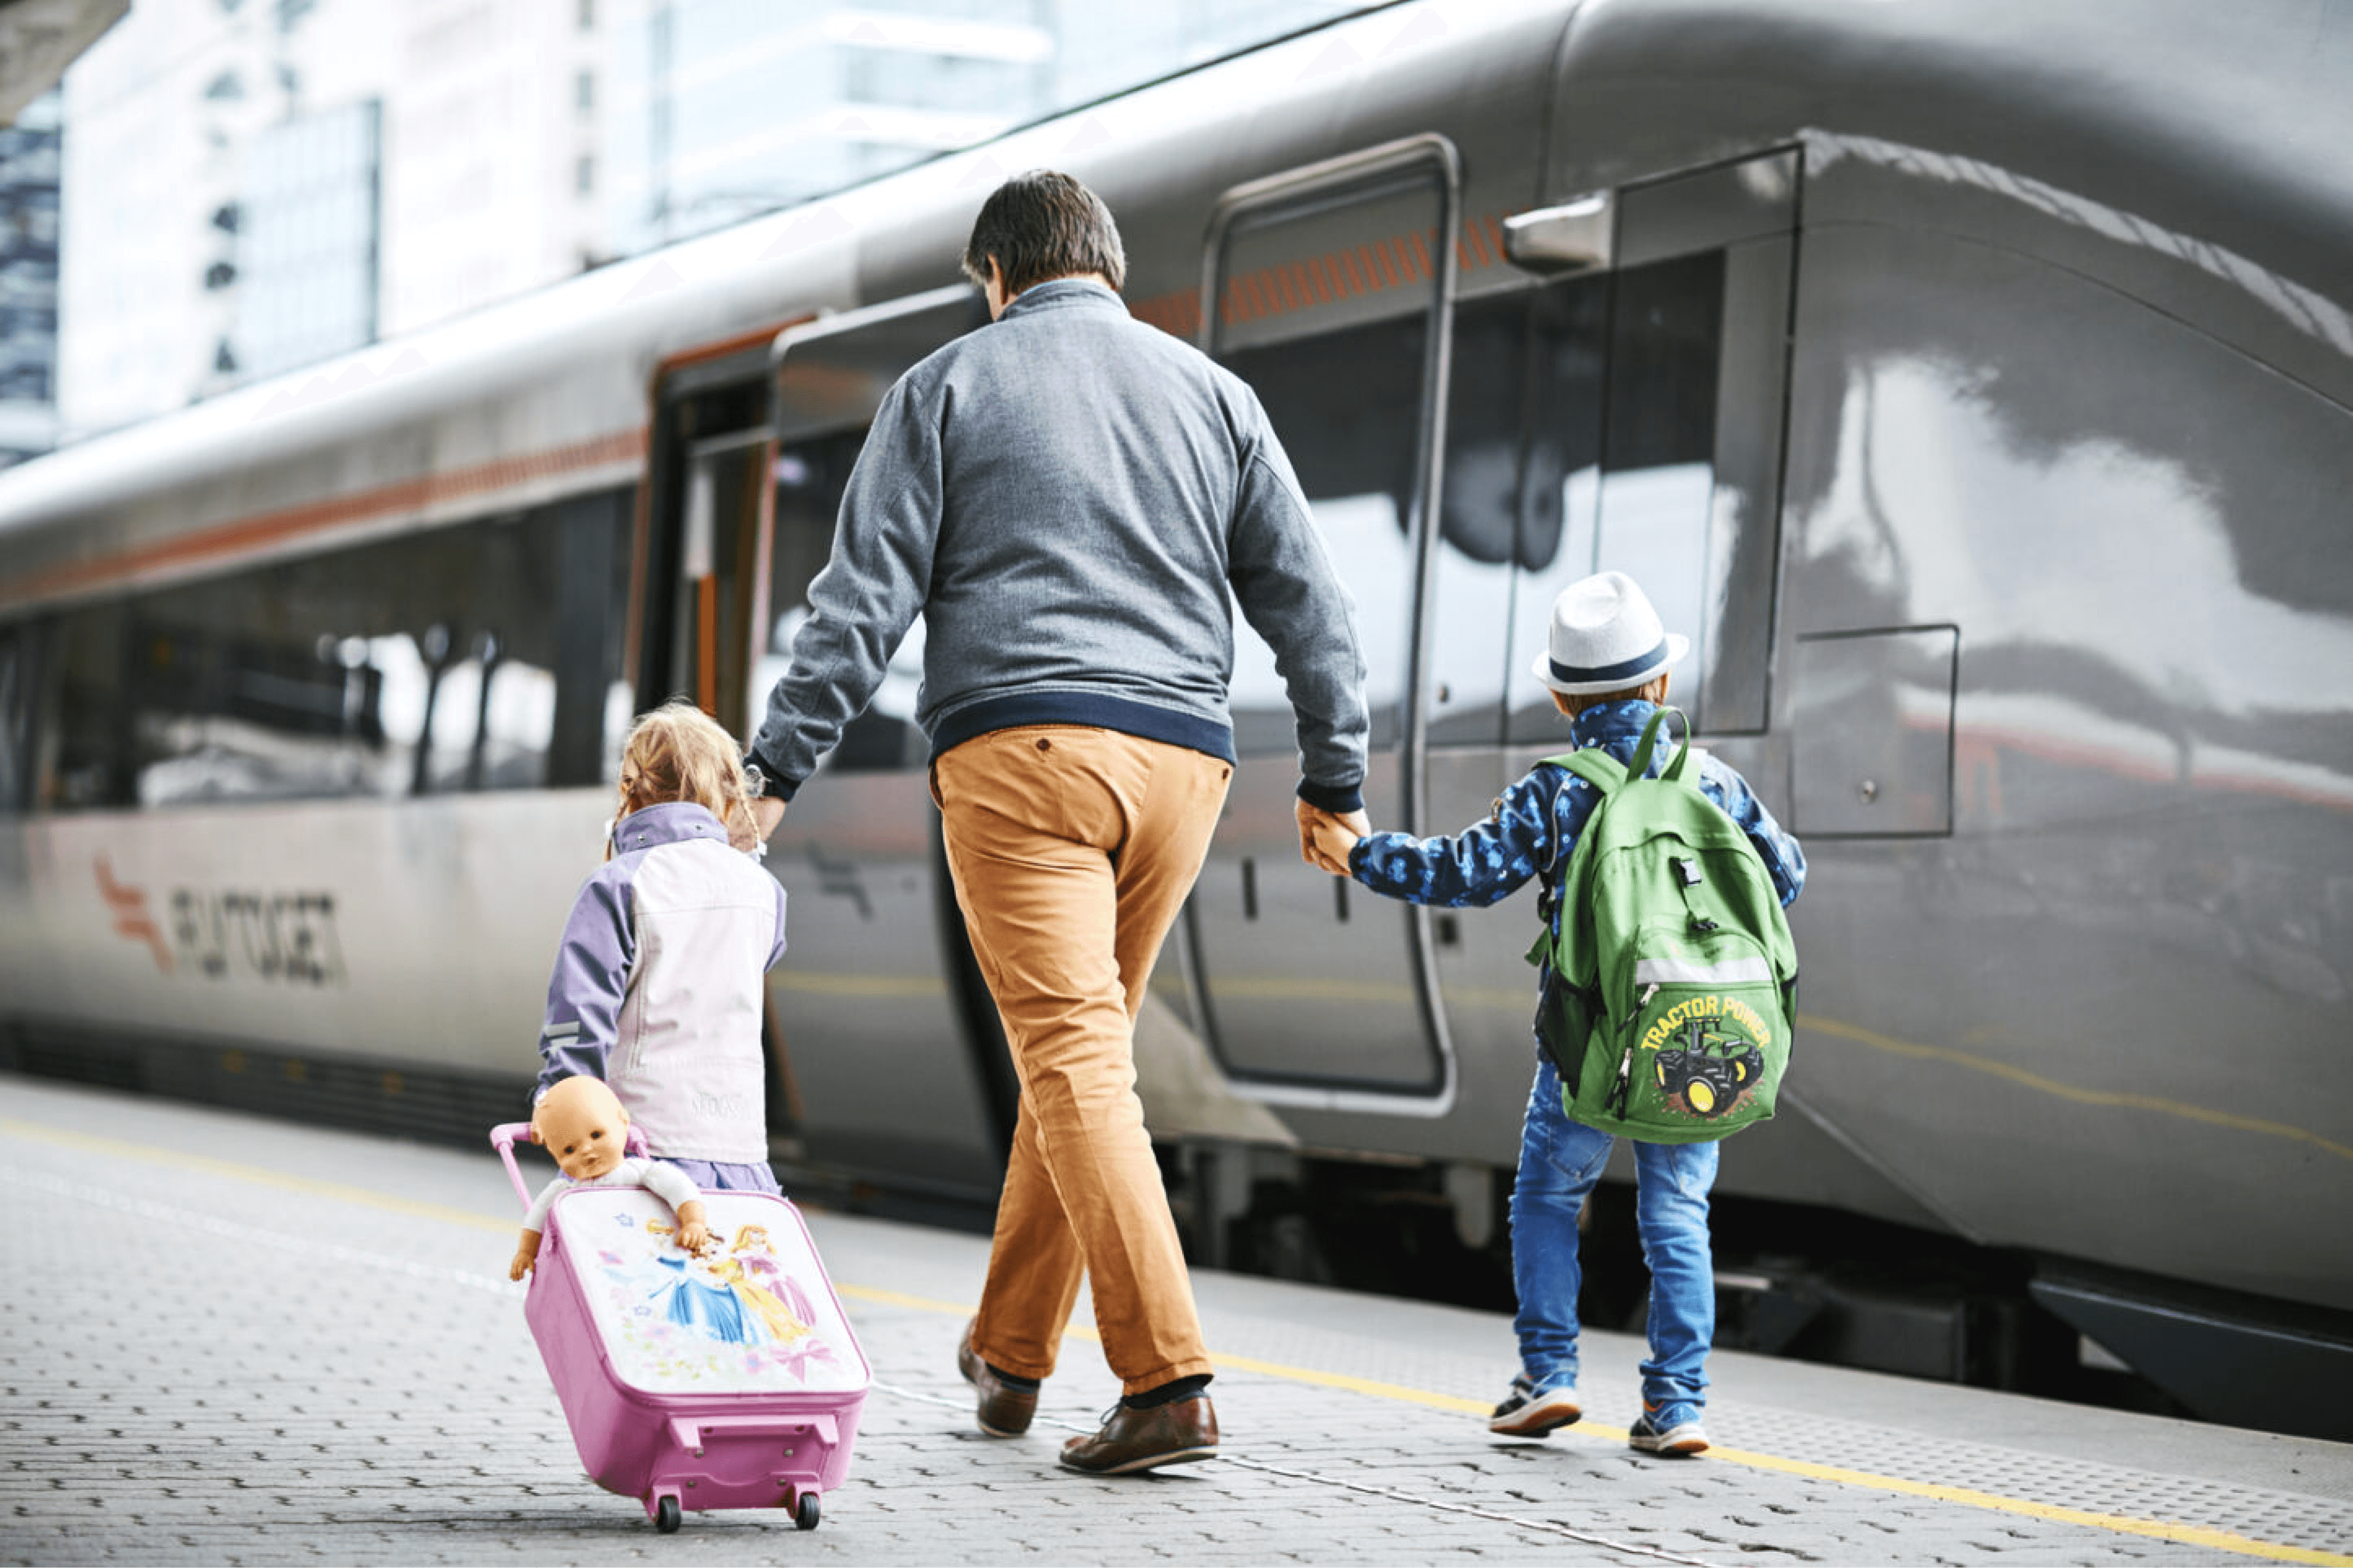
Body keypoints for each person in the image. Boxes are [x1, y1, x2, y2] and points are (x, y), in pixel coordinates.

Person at [740, 170, 1370, 1474]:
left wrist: (773, 767)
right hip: (1186, 772)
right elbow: (1311, 602)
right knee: (1076, 1052)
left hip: (1025, 757)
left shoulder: (948, 385)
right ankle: (1012, 1353)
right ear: (1110, 267)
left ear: (996, 276)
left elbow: (862, 601)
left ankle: (1167, 1377)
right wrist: (1336, 780)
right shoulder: (1216, 398)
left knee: (1074, 1056)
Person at [1319, 571, 1804, 1458]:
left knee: (1548, 1193)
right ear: (1661, 684)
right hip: (1696, 1036)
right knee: (1676, 1213)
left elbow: (1461, 872)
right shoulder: (1713, 781)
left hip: (1587, 1044)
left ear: (1559, 696)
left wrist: (1361, 854)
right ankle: (1677, 1405)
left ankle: (1548, 1375)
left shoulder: (1557, 788)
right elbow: (1789, 877)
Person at [534, 700, 790, 1195]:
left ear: (631, 791)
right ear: (729, 793)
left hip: (639, 1146)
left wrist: (561, 1096)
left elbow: (577, 1014)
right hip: (741, 1150)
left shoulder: (618, 884)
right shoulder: (765, 891)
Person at [510, 1075, 711, 1281]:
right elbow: (536, 1218)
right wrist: (526, 1252)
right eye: (569, 1150)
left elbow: (679, 1187)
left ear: (623, 1121)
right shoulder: (564, 1192)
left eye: (596, 1135)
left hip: (643, 1253)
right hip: (593, 1264)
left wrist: (694, 1222)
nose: (587, 1150)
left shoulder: (640, 1171)